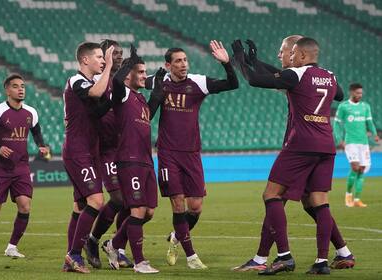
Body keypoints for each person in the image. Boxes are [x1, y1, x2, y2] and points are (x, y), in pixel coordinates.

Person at [232, 36, 354, 272]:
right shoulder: (328, 75)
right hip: (326, 146)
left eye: (289, 53)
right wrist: (255, 61)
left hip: (300, 145)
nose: (286, 57)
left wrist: (240, 60)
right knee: (317, 202)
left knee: (272, 195)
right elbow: (336, 94)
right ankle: (329, 258)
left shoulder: (297, 75)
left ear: (301, 55)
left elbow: (259, 80)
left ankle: (283, 256)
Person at [145, 40, 238, 269]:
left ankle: (176, 236)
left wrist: (227, 64)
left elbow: (232, 84)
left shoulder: (198, 82)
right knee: (178, 204)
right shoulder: (159, 82)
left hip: (192, 153)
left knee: (195, 207)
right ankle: (191, 257)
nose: (183, 64)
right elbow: (130, 83)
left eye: (185, 60)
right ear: (168, 65)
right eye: (178, 61)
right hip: (168, 153)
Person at [0, 74, 49, 258]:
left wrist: (41, 145)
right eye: (15, 86)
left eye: (22, 86)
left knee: (25, 206)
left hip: (21, 167)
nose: (21, 89)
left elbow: (36, 132)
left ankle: (12, 247)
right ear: (7, 90)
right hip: (0, 169)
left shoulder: (31, 112)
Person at [102, 45, 162, 274]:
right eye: (141, 72)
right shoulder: (123, 94)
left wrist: (158, 91)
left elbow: (152, 109)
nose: (144, 76)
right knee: (137, 211)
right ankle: (140, 262)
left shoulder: (140, 100)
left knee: (148, 213)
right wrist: (129, 61)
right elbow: (116, 83)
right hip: (129, 160)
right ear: (129, 75)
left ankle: (113, 244)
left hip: (146, 161)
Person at [62, 42, 114, 273]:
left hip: (90, 151)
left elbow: (101, 108)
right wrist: (110, 67)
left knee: (80, 204)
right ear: (85, 60)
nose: (103, 60)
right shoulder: (76, 81)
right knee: (96, 201)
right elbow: (96, 92)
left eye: (104, 58)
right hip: (78, 150)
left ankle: (69, 258)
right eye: (99, 57)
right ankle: (74, 254)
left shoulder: (91, 83)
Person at [83, 39, 133, 269]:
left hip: (125, 148)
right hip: (104, 150)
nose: (119, 56)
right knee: (119, 198)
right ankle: (91, 241)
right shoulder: (95, 81)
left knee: (131, 202)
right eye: (114, 53)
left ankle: (117, 248)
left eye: (121, 53)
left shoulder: (123, 80)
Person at [334, 83, 379, 207]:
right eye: (358, 93)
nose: (360, 95)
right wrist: (339, 139)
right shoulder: (344, 106)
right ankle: (348, 195)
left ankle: (357, 199)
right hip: (351, 142)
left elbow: (369, 123)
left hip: (363, 143)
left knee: (362, 170)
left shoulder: (365, 107)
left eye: (361, 93)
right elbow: (336, 124)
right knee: (355, 167)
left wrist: (375, 134)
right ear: (352, 92)